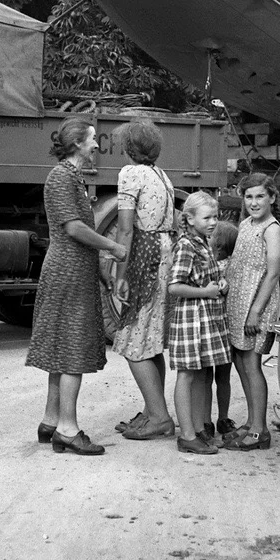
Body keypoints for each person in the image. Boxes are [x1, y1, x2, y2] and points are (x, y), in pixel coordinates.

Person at [27, 118, 127, 457]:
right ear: (76, 144)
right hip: (67, 272)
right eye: (91, 140)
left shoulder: (70, 177)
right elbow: (72, 229)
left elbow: (77, 231)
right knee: (71, 348)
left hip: (73, 269)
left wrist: (100, 272)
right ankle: (68, 429)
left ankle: (51, 420)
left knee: (61, 346)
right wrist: (112, 248)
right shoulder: (61, 178)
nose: (97, 145)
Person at [110, 120, 177, 442]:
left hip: (145, 255)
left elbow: (125, 229)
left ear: (129, 148)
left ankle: (160, 416)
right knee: (150, 340)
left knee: (133, 340)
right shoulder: (161, 175)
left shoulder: (130, 173)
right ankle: (154, 410)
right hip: (165, 252)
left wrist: (119, 275)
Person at [167, 191, 231, 455]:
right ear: (190, 219)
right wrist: (205, 292)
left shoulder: (203, 242)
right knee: (186, 375)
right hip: (191, 319)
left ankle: (196, 430)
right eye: (207, 217)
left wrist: (221, 285)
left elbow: (206, 277)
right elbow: (175, 287)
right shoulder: (185, 245)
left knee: (198, 374)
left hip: (204, 317)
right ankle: (187, 435)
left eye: (215, 216)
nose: (213, 222)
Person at [224, 173, 280, 452]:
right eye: (249, 197)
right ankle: (251, 420)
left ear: (272, 198)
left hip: (256, 306)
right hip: (238, 302)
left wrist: (255, 312)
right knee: (239, 360)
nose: (254, 202)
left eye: (260, 196)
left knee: (252, 363)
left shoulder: (271, 229)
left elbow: (272, 274)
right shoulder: (246, 224)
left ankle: (261, 431)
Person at [202, 220, 238, 440]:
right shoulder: (230, 266)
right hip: (222, 328)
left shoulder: (215, 266)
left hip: (213, 326)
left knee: (208, 377)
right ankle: (221, 419)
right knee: (222, 378)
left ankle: (208, 421)